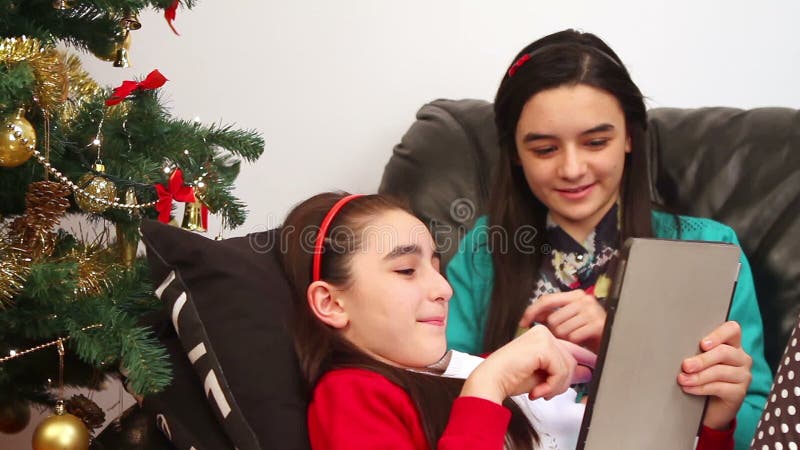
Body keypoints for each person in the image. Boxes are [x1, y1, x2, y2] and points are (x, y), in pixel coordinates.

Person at [444, 29, 771, 449]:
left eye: (596, 142)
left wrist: (628, 345)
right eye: (545, 149)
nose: (573, 168)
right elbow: (437, 391)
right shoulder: (485, 249)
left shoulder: (709, 251)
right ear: (514, 153)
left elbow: (756, 422)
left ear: (631, 136)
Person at [280, 191, 743, 450]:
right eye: (406, 270)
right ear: (332, 303)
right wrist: (488, 385)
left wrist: (711, 421)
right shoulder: (351, 394)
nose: (443, 289)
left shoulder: (467, 371)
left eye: (437, 269)